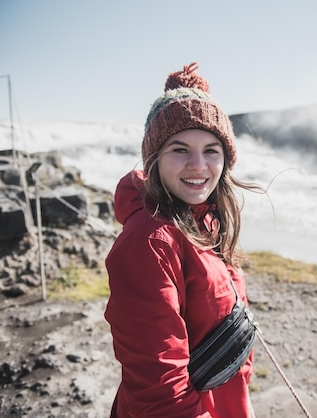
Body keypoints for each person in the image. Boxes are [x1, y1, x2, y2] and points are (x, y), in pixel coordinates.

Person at [104, 62, 261, 417]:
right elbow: (160, 387)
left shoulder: (207, 220)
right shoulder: (149, 242)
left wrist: (241, 397)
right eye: (180, 149)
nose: (198, 165)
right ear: (155, 158)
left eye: (211, 150)